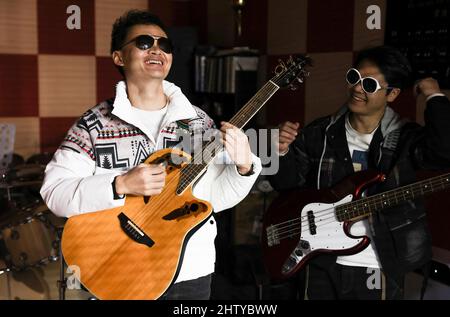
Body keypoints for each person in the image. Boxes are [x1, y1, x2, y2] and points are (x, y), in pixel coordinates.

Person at [40, 10, 261, 300]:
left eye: (164, 44)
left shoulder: (199, 123)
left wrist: (244, 167)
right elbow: (55, 192)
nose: (157, 49)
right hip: (115, 268)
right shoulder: (94, 125)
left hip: (189, 272)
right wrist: (120, 184)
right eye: (144, 42)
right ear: (119, 57)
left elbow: (214, 198)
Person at [269, 45, 450, 300]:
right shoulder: (320, 133)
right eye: (354, 77)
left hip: (379, 262)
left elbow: (444, 152)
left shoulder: (406, 139)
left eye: (369, 84)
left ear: (392, 94)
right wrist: (280, 151)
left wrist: (434, 96)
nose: (357, 88)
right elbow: (285, 187)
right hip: (320, 260)